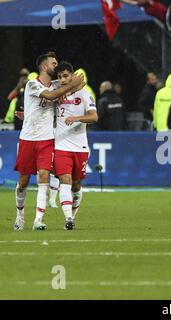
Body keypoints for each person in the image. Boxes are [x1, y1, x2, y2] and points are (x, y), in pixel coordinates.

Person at [13, 52, 85, 231]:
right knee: (23, 181)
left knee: (43, 175)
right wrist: (69, 87)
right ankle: (20, 215)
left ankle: (38, 219)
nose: (57, 66)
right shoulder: (32, 84)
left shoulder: (55, 84)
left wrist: (72, 85)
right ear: (44, 67)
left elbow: (80, 81)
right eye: (54, 63)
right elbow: (52, 96)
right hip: (28, 139)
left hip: (46, 139)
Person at [54, 62, 98, 230]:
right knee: (65, 180)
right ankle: (68, 219)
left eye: (65, 76)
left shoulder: (85, 94)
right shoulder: (57, 93)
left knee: (76, 185)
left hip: (80, 147)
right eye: (59, 77)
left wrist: (77, 118)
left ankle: (72, 215)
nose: (62, 79)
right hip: (61, 145)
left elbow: (94, 117)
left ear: (72, 75)